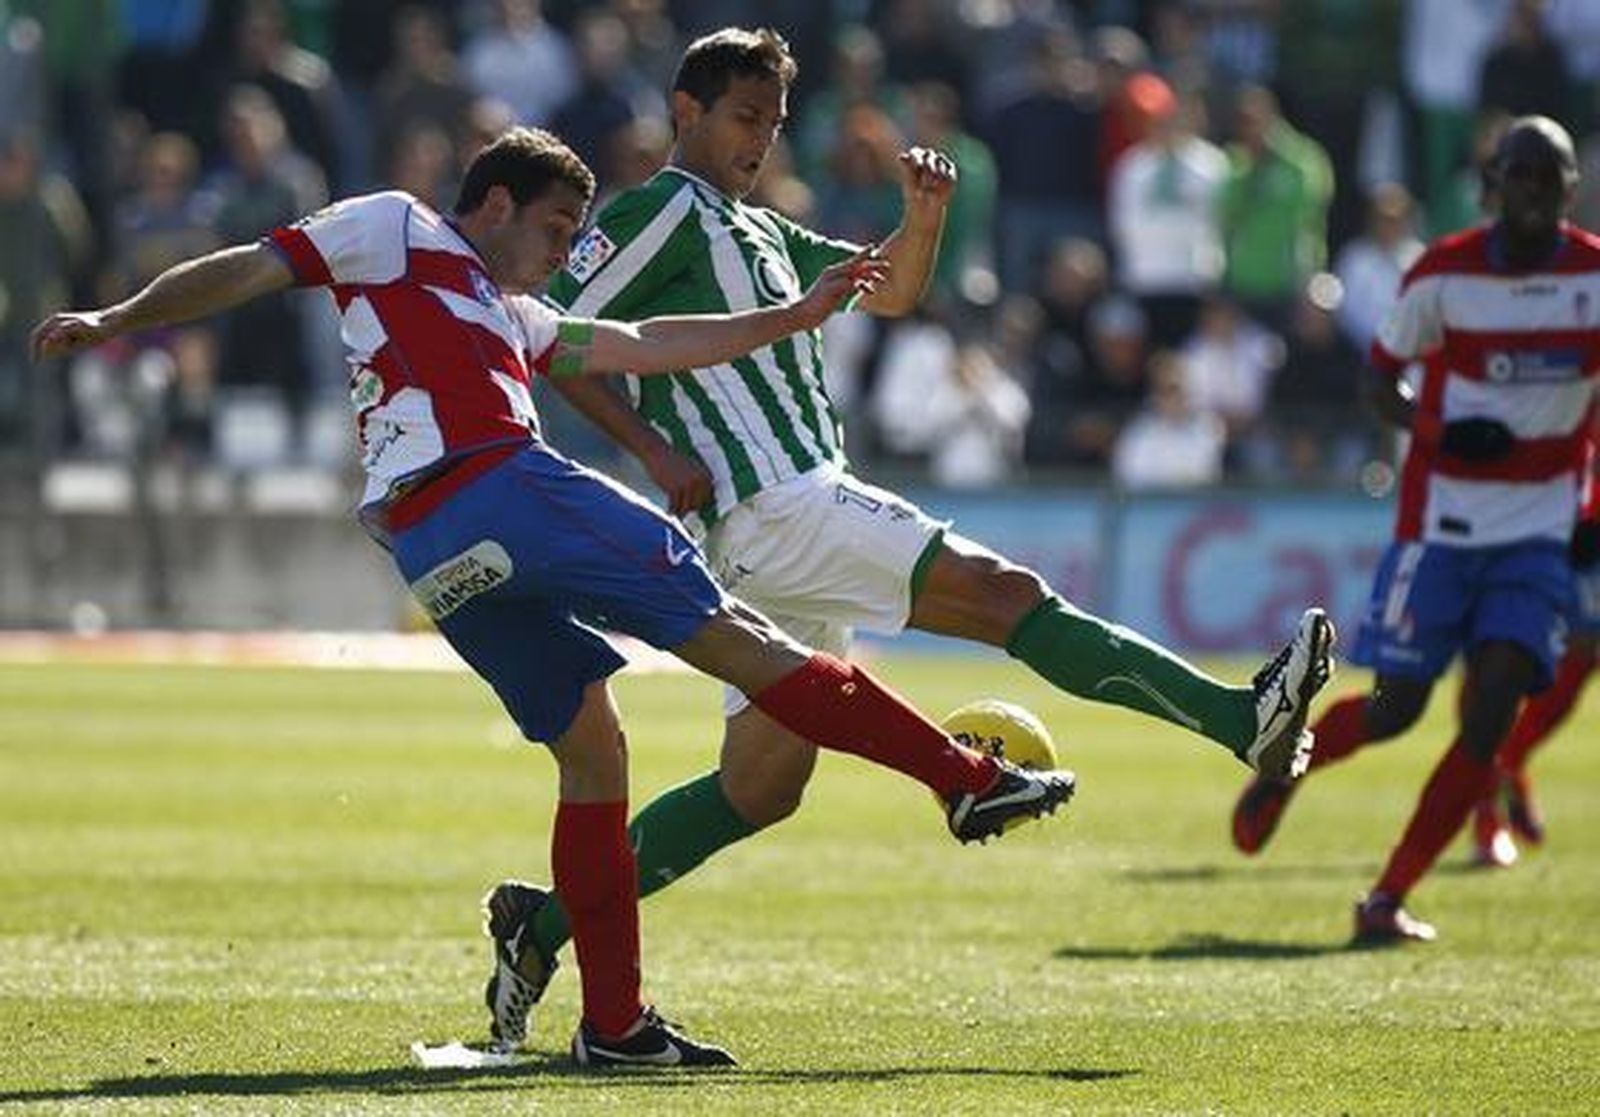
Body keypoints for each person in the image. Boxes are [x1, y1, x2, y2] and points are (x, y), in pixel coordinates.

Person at [30, 126, 1077, 1069]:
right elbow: (253, 266)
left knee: (594, 748)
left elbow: (644, 345)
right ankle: (958, 776)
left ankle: (614, 1023)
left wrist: (794, 313)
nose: (561, 250)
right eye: (553, 226)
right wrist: (120, 313)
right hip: (499, 482)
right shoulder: (393, 224)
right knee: (738, 633)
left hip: (429, 546)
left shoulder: (509, 310)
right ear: (491, 203)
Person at [486, 26, 1336, 1047]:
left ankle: (534, 927)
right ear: (686, 113)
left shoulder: (759, 230)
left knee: (759, 789)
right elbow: (543, 328)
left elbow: (888, 288)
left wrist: (922, 218)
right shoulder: (660, 209)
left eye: (775, 123)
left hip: (786, 516)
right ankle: (1240, 720)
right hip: (775, 501)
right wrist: (647, 448)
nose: (761, 139)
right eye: (745, 117)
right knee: (1005, 594)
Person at [1229, 116, 1600, 944]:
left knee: (1493, 709)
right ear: (1491, 186)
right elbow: (1379, 383)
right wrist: (1437, 435)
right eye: (1519, 177)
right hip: (1440, 526)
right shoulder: (1443, 274)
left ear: (1570, 190)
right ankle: (1289, 766)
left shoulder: (1595, 277)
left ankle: (1388, 894)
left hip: (1538, 533)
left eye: (1550, 180)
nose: (1533, 194)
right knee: (1398, 709)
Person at [1469, 493, 1599, 865]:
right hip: (1540, 525)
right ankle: (1489, 810)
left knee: (1580, 653)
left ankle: (1508, 764)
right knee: (1498, 668)